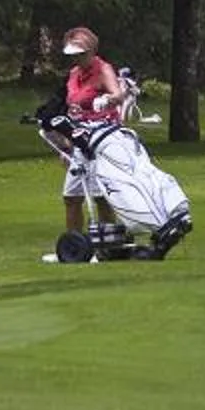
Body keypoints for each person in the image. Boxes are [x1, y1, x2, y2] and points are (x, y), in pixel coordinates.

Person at [55, 26, 134, 247]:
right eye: (74, 55)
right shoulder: (73, 75)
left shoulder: (103, 69)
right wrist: (67, 146)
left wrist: (108, 100)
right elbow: (72, 109)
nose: (77, 59)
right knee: (71, 196)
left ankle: (107, 243)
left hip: (101, 137)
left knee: (101, 196)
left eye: (81, 53)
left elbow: (118, 95)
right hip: (79, 138)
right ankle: (74, 244)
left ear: (90, 50)